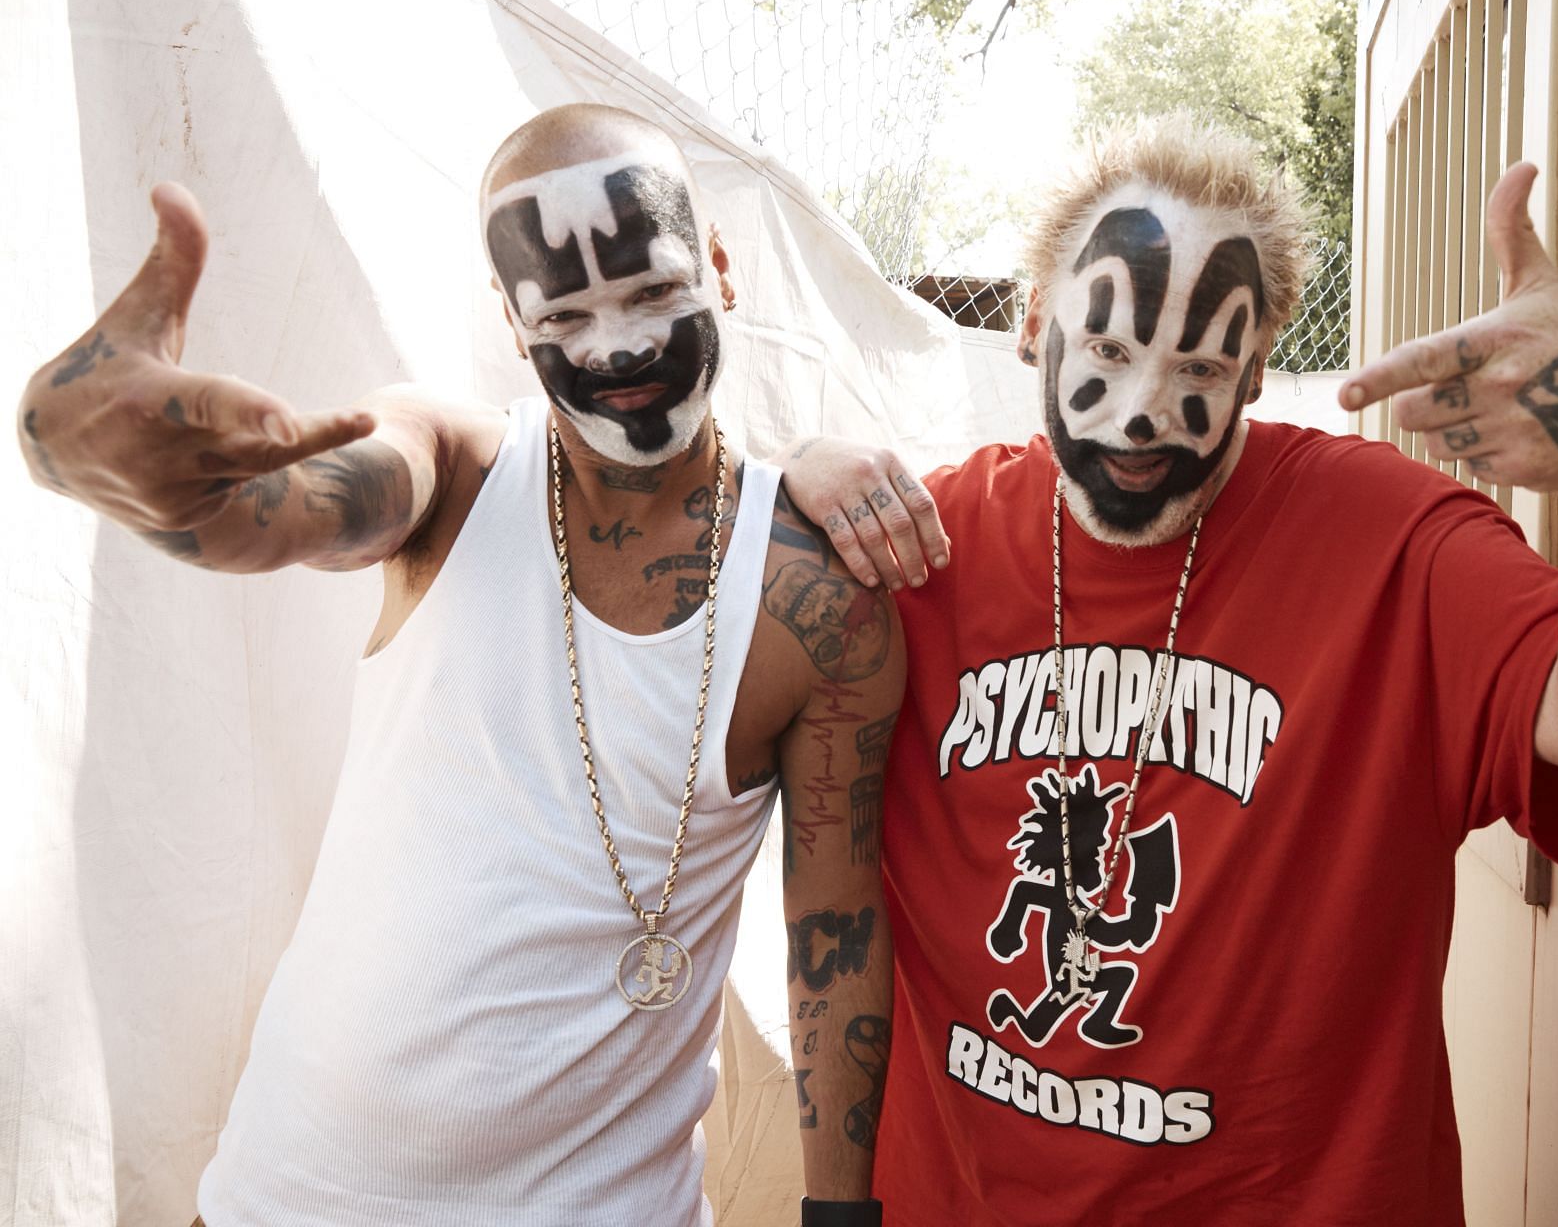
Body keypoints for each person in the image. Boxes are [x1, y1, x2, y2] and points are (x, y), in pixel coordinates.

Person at [778, 113, 1558, 1224]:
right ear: (1033, 326)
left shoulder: (1397, 543)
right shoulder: (920, 548)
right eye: (1111, 351)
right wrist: (791, 479)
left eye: (1199, 364)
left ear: (1259, 368)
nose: (1140, 414)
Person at [17, 103, 900, 1227]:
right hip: (279, 1199)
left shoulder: (817, 599)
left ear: (722, 267)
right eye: (567, 311)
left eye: (649, 291)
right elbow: (287, 511)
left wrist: (839, 1216)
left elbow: (838, 923)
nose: (617, 347)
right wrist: (123, 468)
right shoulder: (456, 467)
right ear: (512, 318)